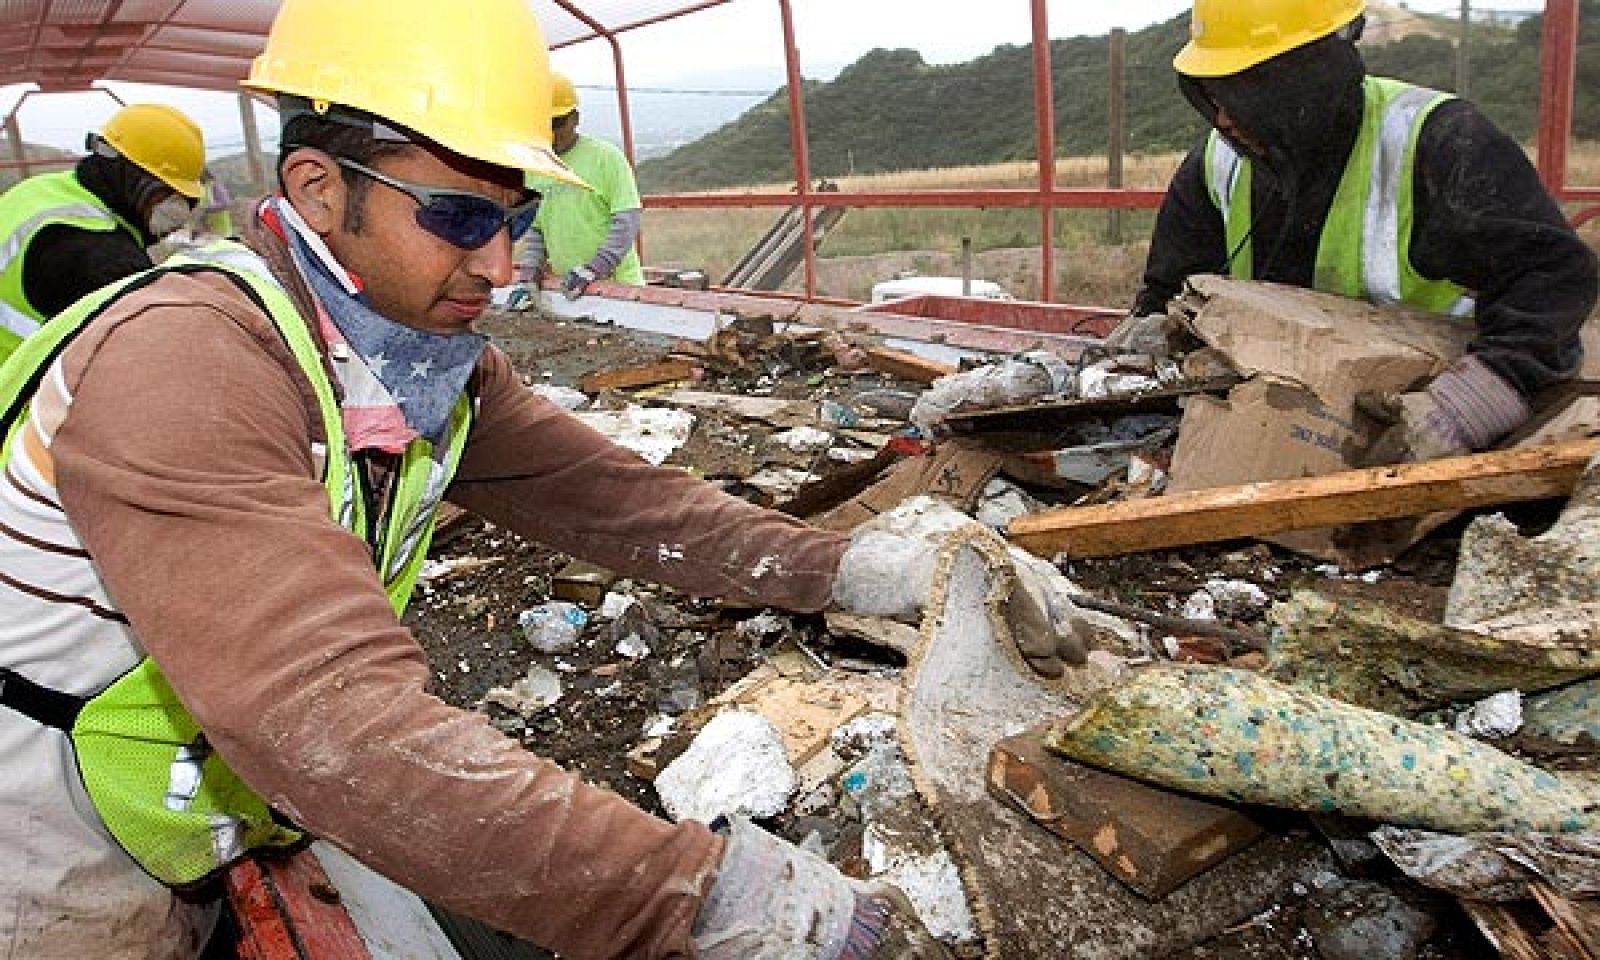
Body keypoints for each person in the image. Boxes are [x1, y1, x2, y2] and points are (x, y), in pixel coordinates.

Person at [0, 0, 1086, 958]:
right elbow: (327, 714)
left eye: (512, 219)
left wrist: (860, 569)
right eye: (461, 220)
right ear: (318, 190)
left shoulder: (407, 357)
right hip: (36, 824)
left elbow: (615, 499)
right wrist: (697, 900)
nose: (500, 266)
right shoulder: (188, 361)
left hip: (168, 780)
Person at [1112, 0, 1597, 463]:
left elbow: (1552, 277)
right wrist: (1148, 334)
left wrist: (1474, 401)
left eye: (1240, 91)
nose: (1222, 118)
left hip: (1431, 434)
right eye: (1213, 93)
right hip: (1272, 431)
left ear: (1308, 78)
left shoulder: (1436, 142)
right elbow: (1167, 290)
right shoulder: (1217, 165)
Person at [0, 102, 204, 363]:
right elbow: (149, 359)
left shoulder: (39, 192)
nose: (179, 210)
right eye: (171, 194)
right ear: (136, 180)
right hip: (24, 396)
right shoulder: (105, 261)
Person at [518, 71, 647, 299]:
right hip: (569, 289)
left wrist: (594, 269)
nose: (551, 133)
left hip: (618, 289)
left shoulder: (606, 158)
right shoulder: (535, 168)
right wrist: (530, 271)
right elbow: (537, 228)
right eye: (543, 124)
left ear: (575, 119)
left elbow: (627, 219)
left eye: (557, 123)